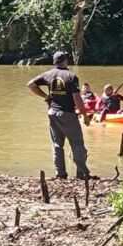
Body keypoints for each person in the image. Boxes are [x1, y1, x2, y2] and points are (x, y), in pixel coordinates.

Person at [27, 51, 95, 180]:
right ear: (66, 61)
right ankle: (82, 173)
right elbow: (77, 99)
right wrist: (85, 116)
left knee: (57, 145)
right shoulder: (71, 76)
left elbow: (30, 84)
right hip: (67, 113)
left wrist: (45, 96)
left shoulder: (48, 74)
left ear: (54, 62)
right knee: (77, 144)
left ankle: (60, 174)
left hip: (52, 113)